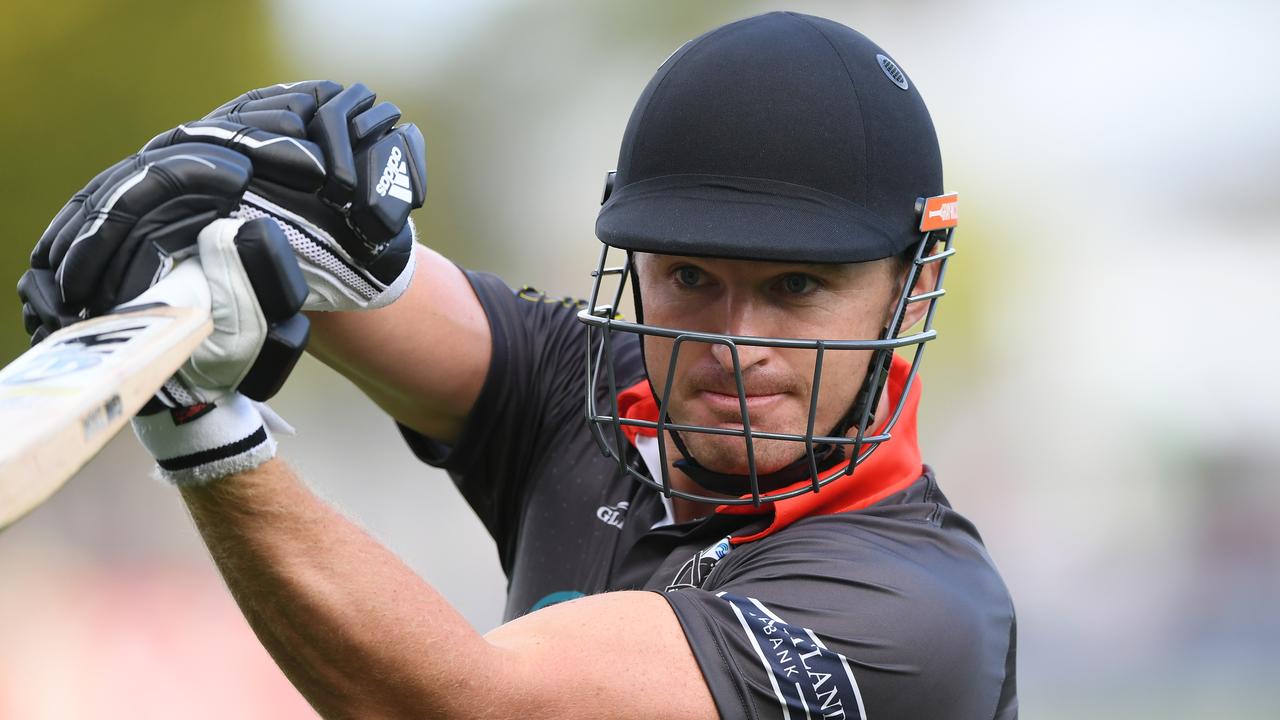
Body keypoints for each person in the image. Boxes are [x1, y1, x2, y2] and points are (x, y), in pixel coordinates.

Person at [18, 11, 1017, 719]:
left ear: (903, 283)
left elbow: (463, 706)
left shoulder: (909, 617)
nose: (731, 340)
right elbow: (374, 288)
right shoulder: (597, 397)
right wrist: (227, 226)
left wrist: (201, 425)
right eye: (688, 277)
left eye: (796, 288)